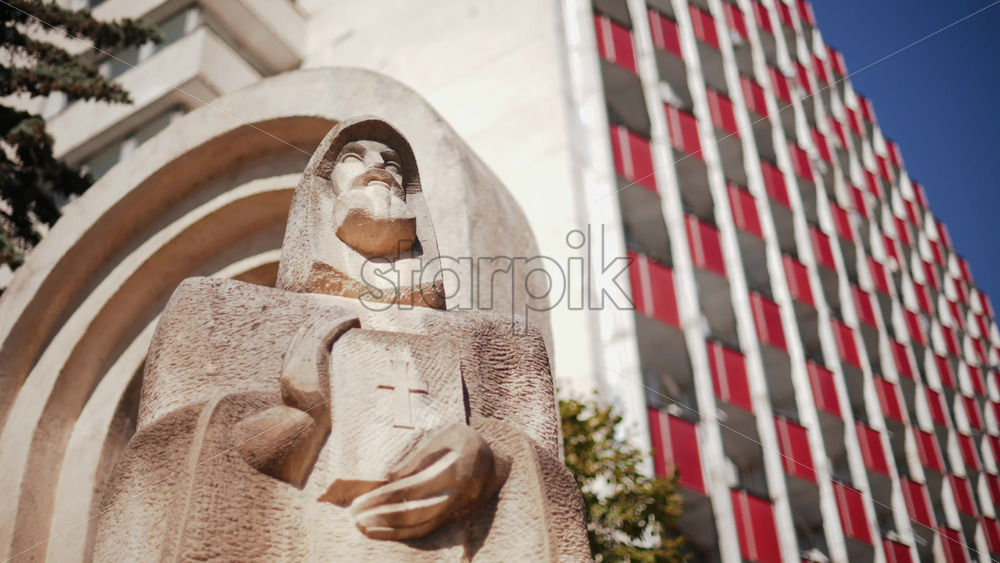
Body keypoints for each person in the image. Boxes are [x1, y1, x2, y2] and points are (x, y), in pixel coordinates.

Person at [94, 116, 589, 561]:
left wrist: (485, 459)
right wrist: (295, 420)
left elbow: (551, 480)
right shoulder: (216, 310)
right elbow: (156, 468)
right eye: (354, 157)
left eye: (392, 162)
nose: (380, 167)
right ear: (322, 191)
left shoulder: (499, 341)